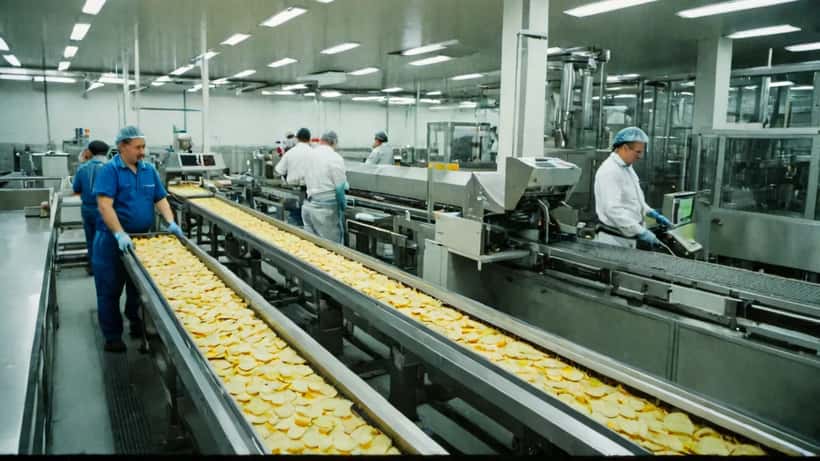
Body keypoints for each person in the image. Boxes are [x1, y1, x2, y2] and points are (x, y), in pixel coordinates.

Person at [92, 126, 184, 353]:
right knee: (110, 290)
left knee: (138, 288)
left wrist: (171, 222)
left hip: (142, 241)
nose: (142, 152)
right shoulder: (110, 171)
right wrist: (119, 233)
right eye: (138, 147)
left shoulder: (148, 170)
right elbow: (105, 205)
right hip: (112, 241)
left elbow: (160, 199)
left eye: (144, 147)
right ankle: (112, 336)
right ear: (122, 147)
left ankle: (136, 322)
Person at [593, 127, 672, 249]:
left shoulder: (627, 167)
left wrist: (651, 212)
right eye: (638, 152)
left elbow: (634, 199)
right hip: (615, 239)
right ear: (625, 148)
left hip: (628, 234)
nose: (640, 156)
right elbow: (612, 210)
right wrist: (641, 231)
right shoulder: (610, 171)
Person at [289, 131, 348, 243]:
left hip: (308, 205)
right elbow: (340, 188)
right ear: (334, 142)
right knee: (332, 246)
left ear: (321, 141)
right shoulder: (335, 157)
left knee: (313, 246)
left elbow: (301, 178)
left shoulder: (309, 156)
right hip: (325, 209)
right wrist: (342, 206)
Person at [73, 140, 110, 275]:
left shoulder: (82, 168)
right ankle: (107, 267)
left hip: (88, 209)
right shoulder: (112, 168)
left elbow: (76, 188)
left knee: (91, 239)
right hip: (107, 209)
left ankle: (92, 267)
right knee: (107, 239)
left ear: (90, 151)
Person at [275, 128, 313, 226]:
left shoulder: (290, 153)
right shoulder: (314, 153)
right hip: (310, 193)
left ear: (297, 138)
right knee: (308, 223)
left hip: (293, 193)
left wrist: (286, 176)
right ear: (309, 139)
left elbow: (278, 171)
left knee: (294, 222)